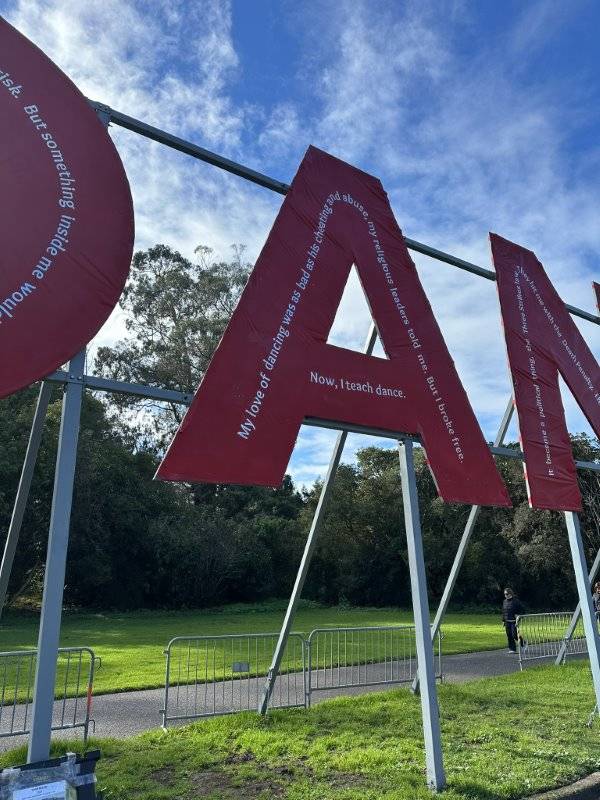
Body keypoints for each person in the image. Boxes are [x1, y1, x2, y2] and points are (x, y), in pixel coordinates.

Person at [502, 587, 524, 654]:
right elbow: (504, 611)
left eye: (506, 594)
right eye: (505, 594)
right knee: (509, 635)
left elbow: (522, 610)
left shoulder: (516, 601)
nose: (505, 595)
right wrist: (503, 620)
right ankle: (512, 649)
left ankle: (523, 643)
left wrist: (518, 616)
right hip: (507, 621)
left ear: (510, 594)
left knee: (514, 634)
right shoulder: (504, 601)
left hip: (514, 621)